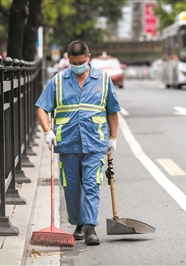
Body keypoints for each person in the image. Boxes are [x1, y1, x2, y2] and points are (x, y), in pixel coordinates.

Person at [35, 40, 121, 246]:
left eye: (81, 62)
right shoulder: (58, 81)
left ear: (88, 58)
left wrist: (113, 137)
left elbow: (112, 110)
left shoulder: (103, 80)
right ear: (68, 59)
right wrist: (47, 131)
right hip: (68, 143)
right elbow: (42, 108)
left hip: (94, 143)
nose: (78, 66)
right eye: (74, 63)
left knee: (91, 184)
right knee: (72, 187)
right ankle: (79, 224)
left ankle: (90, 227)